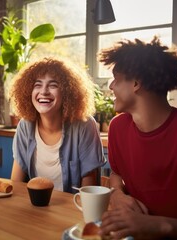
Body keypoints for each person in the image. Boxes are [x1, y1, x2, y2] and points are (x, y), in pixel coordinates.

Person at [97, 37, 177, 239]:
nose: (111, 86)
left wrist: (159, 225)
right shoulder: (117, 127)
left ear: (136, 83)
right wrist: (117, 194)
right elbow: (116, 175)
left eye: (116, 78)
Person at [9, 57, 105, 193]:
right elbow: (16, 185)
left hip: (73, 210)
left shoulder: (85, 126)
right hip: (35, 208)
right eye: (37, 85)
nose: (44, 91)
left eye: (53, 85)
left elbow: (88, 196)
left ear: (67, 92)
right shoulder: (25, 126)